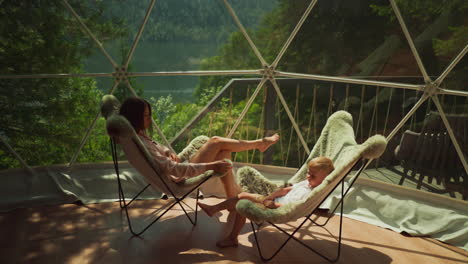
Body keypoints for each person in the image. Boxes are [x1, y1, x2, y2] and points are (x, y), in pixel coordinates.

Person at [119, 96, 280, 198]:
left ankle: (233, 198)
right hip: (180, 179)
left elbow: (161, 157)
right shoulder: (141, 143)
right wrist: (212, 166)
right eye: (146, 116)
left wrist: (168, 153)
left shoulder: (138, 137)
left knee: (222, 150)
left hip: (179, 170)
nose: (150, 120)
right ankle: (260, 144)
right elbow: (174, 170)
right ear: (135, 117)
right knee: (216, 141)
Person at [197, 156, 334, 247]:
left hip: (277, 209)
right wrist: (270, 197)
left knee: (243, 200)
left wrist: (273, 204)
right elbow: (286, 190)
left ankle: (222, 221)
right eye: (308, 172)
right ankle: (216, 212)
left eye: (312, 175)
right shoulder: (306, 183)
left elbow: (294, 207)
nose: (308, 176)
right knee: (243, 197)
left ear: (325, 178)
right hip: (271, 202)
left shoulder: (312, 194)